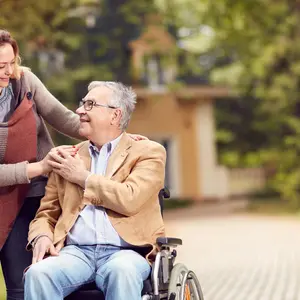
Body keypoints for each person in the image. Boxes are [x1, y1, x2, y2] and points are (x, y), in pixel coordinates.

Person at [0, 29, 144, 300]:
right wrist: (41, 167)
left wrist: (117, 134)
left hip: (34, 192)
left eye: (12, 62)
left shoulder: (24, 81)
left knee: (29, 275)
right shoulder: (64, 166)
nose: (8, 72)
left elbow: (62, 116)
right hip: (7, 193)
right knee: (28, 279)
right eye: (0, 66)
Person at [24, 81, 166, 300]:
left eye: (90, 104)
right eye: (82, 104)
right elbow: (47, 213)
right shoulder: (67, 157)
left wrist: (83, 178)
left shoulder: (148, 152)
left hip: (126, 252)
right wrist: (41, 236)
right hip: (75, 252)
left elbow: (130, 198)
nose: (79, 110)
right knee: (38, 273)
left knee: (122, 272)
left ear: (115, 115)